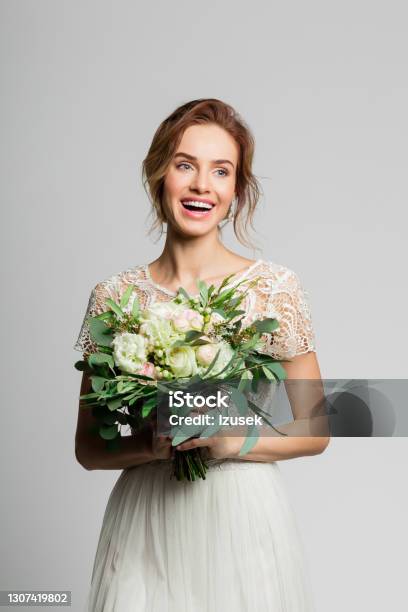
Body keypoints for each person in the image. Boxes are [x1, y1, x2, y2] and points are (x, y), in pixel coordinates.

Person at [74, 98, 329, 611]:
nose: (201, 185)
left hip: (240, 514)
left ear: (236, 192)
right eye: (184, 165)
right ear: (158, 175)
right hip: (147, 519)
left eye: (221, 171)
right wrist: (153, 444)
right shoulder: (115, 297)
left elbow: (317, 427)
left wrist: (231, 441)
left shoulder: (274, 289)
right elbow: (88, 447)